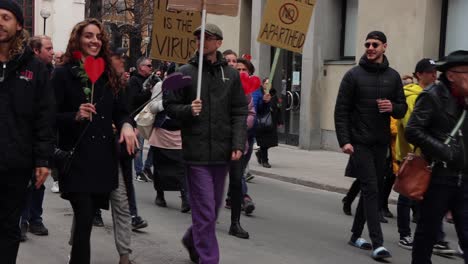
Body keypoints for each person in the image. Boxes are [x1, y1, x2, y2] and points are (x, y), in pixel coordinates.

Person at [53, 18, 138, 264]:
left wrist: (126, 125)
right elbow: (49, 117)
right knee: (84, 218)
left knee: (88, 218)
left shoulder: (109, 74)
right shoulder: (62, 74)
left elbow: (122, 110)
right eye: (89, 36)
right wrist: (75, 115)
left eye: (99, 37)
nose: (94, 41)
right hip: (76, 157)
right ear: (78, 39)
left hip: (104, 158)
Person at [164, 23, 248, 264]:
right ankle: (209, 259)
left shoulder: (231, 75)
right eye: (199, 38)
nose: (203, 41)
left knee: (211, 212)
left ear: (219, 42)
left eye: (209, 38)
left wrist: (238, 143)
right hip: (196, 153)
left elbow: (240, 111)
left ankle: (193, 239)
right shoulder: (184, 72)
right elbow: (169, 108)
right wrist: (189, 110)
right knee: (205, 212)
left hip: (222, 154)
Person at [334, 31, 407, 260]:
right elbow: (341, 111)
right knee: (371, 189)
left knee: (369, 190)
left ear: (385, 47)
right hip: (359, 142)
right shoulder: (352, 75)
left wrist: (392, 108)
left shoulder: (393, 77)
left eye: (375, 44)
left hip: (381, 143)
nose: (370, 47)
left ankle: (356, 235)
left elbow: (402, 108)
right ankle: (378, 244)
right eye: (367, 44)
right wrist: (345, 140)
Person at [0, 2, 55, 263]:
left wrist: (42, 160)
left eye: (5, 17)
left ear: (19, 24)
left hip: (15, 162)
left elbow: (45, 117)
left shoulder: (34, 68)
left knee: (9, 226)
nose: (0, 22)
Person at [406, 50, 468, 264]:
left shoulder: (465, 98)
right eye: (467, 73)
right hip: (438, 176)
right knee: (427, 233)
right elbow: (412, 130)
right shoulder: (432, 95)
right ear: (451, 75)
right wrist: (444, 151)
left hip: (463, 176)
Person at [395, 58, 455, 255]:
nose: (434, 75)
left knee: (428, 197)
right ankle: (405, 234)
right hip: (414, 155)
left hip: (430, 156)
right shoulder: (412, 96)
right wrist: (422, 151)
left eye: (435, 72)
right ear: (419, 74)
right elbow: (411, 127)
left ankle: (436, 238)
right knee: (407, 193)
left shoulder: (434, 95)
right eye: (430, 72)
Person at [20, 35, 56, 241]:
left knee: (39, 181)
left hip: (46, 136)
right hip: (26, 137)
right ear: (36, 50)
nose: (52, 52)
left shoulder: (52, 73)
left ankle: (35, 218)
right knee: (25, 181)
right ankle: (22, 220)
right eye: (48, 48)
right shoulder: (26, 70)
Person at [148, 63, 190, 212]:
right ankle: (160, 194)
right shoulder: (161, 86)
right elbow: (151, 106)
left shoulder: (188, 88)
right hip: (162, 132)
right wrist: (164, 103)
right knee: (160, 167)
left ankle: (185, 198)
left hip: (179, 133)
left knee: (181, 167)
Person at [128, 56, 154, 182]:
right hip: (139, 117)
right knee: (139, 144)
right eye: (149, 65)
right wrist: (149, 91)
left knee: (155, 143)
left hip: (151, 115)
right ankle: (139, 172)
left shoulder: (152, 79)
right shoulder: (134, 80)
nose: (151, 68)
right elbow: (134, 98)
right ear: (141, 67)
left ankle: (147, 167)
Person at [253, 77, 283, 168]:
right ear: (263, 84)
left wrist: (280, 121)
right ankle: (265, 161)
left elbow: (278, 108)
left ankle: (259, 153)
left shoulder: (273, 94)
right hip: (262, 122)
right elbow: (257, 107)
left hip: (271, 122)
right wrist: (264, 102)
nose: (268, 85)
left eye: (269, 84)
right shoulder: (259, 93)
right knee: (264, 142)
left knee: (271, 142)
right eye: (266, 83)